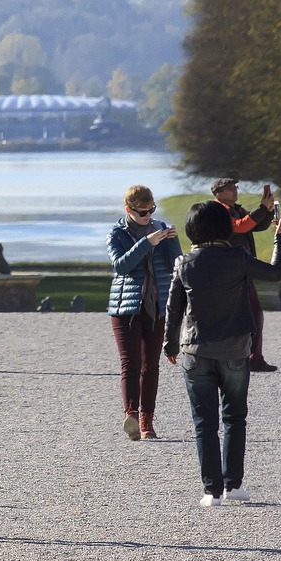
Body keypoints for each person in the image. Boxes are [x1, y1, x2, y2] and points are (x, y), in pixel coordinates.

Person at [164, 200, 281, 507]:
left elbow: (173, 310)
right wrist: (279, 237)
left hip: (195, 349)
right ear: (226, 227)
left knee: (204, 422)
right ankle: (233, 484)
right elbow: (275, 273)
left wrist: (168, 344)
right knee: (234, 417)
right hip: (234, 347)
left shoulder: (184, 263)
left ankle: (212, 491)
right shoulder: (238, 257)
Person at [106, 185, 182, 441]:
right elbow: (121, 266)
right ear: (129, 210)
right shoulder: (116, 233)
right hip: (125, 308)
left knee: (151, 365)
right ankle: (131, 413)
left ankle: (146, 420)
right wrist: (145, 243)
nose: (148, 216)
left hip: (157, 306)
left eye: (151, 210)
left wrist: (172, 242)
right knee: (131, 362)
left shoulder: (161, 228)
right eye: (142, 212)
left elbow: (176, 266)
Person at [211, 178, 277, 372]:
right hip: (226, 272)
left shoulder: (237, 209)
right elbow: (240, 226)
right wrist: (262, 209)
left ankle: (254, 358)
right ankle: (227, 358)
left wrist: (268, 209)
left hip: (242, 270)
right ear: (219, 193)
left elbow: (256, 225)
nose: (234, 190)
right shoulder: (217, 211)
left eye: (235, 187)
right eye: (230, 188)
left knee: (255, 314)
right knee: (230, 318)